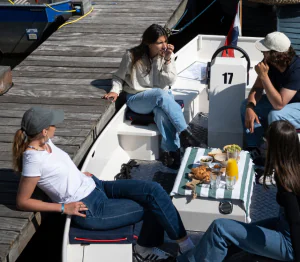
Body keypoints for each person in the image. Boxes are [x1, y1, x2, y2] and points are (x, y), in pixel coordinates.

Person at [13, 107, 195, 261]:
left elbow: (55, 169)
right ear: (44, 131)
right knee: (149, 206)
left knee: (153, 190)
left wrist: (77, 174)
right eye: (52, 124)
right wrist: (62, 207)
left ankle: (183, 243)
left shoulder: (46, 142)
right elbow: (23, 201)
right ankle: (144, 250)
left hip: (96, 185)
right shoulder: (33, 159)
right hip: (91, 208)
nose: (56, 126)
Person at [159, 120, 300, 262]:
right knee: (232, 235)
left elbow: (296, 222)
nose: (264, 146)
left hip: (290, 244)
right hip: (282, 225)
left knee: (220, 228)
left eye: (266, 142)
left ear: (276, 148)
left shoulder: (286, 182)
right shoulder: (293, 169)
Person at [103, 24, 199, 169]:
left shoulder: (167, 55)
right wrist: (115, 90)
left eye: (165, 41)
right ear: (148, 42)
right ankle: (184, 132)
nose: (164, 45)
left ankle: (171, 152)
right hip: (137, 98)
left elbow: (171, 81)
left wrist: (167, 60)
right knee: (160, 94)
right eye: (159, 42)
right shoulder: (131, 56)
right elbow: (118, 77)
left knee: (161, 113)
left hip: (161, 99)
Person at [241, 31, 300, 154]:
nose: (262, 53)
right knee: (244, 105)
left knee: (276, 115)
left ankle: (274, 155)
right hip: (282, 102)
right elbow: (257, 88)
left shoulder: (296, 70)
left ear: (275, 54)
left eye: (265, 51)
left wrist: (263, 76)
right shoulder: (270, 63)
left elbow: (279, 104)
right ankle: (255, 147)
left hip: (296, 105)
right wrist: (250, 107)